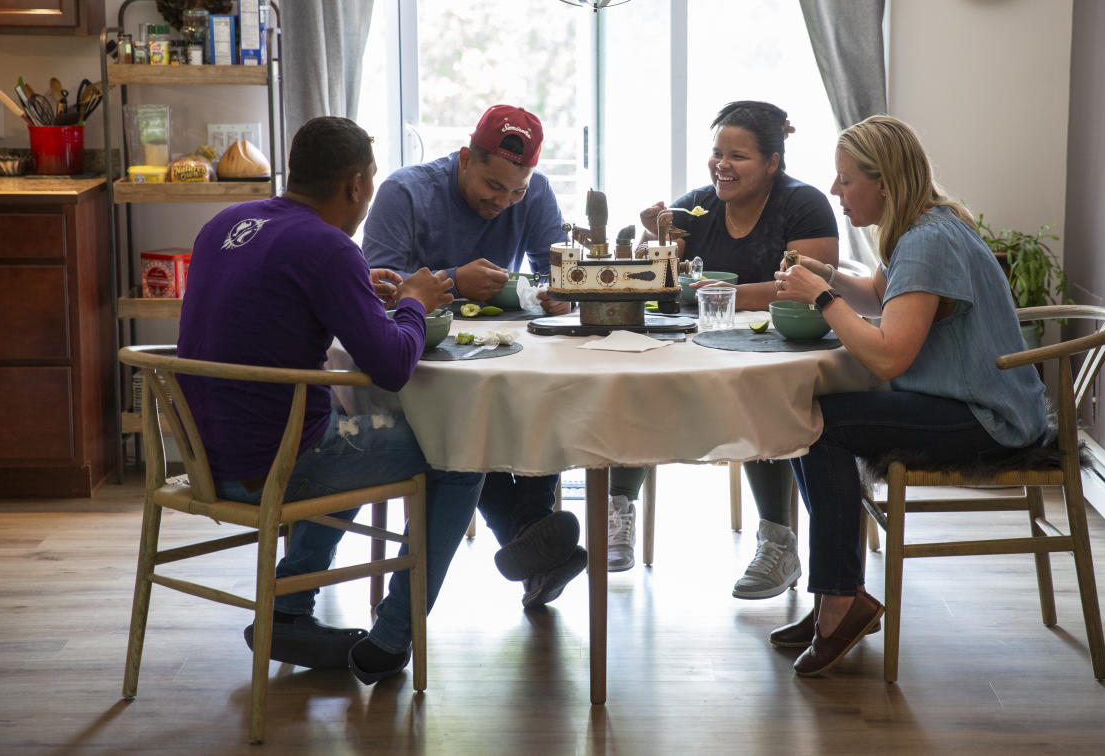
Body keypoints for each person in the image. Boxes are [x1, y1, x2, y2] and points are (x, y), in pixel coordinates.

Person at [177, 116, 485, 685]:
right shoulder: (328, 247)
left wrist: (358, 287)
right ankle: (394, 637)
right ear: (356, 186)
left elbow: (275, 297)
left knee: (342, 424)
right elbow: (392, 367)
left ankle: (290, 609)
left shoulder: (227, 223)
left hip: (202, 457)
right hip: (273, 467)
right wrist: (416, 300)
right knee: (462, 453)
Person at [768, 115, 1048, 676]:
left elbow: (888, 356)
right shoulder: (931, 224)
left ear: (884, 183)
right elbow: (879, 294)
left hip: (985, 418)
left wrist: (823, 297)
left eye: (846, 180)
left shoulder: (926, 243)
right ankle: (835, 597)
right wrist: (828, 274)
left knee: (819, 423)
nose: (834, 191)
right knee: (814, 420)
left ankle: (841, 601)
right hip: (987, 402)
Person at [606, 100, 839, 604]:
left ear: (773, 161)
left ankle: (778, 541)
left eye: (738, 156)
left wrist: (722, 293)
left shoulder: (804, 204)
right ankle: (617, 511)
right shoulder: (697, 206)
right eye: (717, 153)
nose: (722, 165)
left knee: (762, 391)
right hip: (699, 348)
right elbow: (659, 282)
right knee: (639, 375)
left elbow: (811, 288)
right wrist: (655, 237)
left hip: (774, 348)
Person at [362, 104, 585, 609]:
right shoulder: (406, 192)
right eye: (493, 186)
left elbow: (557, 271)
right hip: (416, 357)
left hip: (496, 353)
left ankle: (528, 537)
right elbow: (375, 290)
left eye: (517, 190)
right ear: (465, 157)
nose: (504, 202)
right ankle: (531, 539)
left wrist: (560, 293)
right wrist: (452, 280)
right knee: (460, 426)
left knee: (541, 394)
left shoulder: (535, 193)